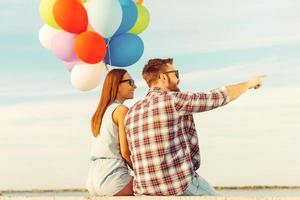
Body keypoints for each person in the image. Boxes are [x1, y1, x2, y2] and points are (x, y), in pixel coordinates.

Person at [125, 58, 266, 196]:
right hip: (177, 184)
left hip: (144, 189)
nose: (179, 79)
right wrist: (248, 83)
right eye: (176, 74)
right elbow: (217, 97)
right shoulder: (173, 100)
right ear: (163, 77)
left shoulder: (132, 111)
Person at [86, 69, 137, 196]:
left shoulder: (99, 113)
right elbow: (126, 153)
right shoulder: (121, 110)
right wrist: (143, 173)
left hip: (93, 179)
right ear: (117, 85)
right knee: (155, 188)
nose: (135, 86)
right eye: (130, 82)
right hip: (113, 177)